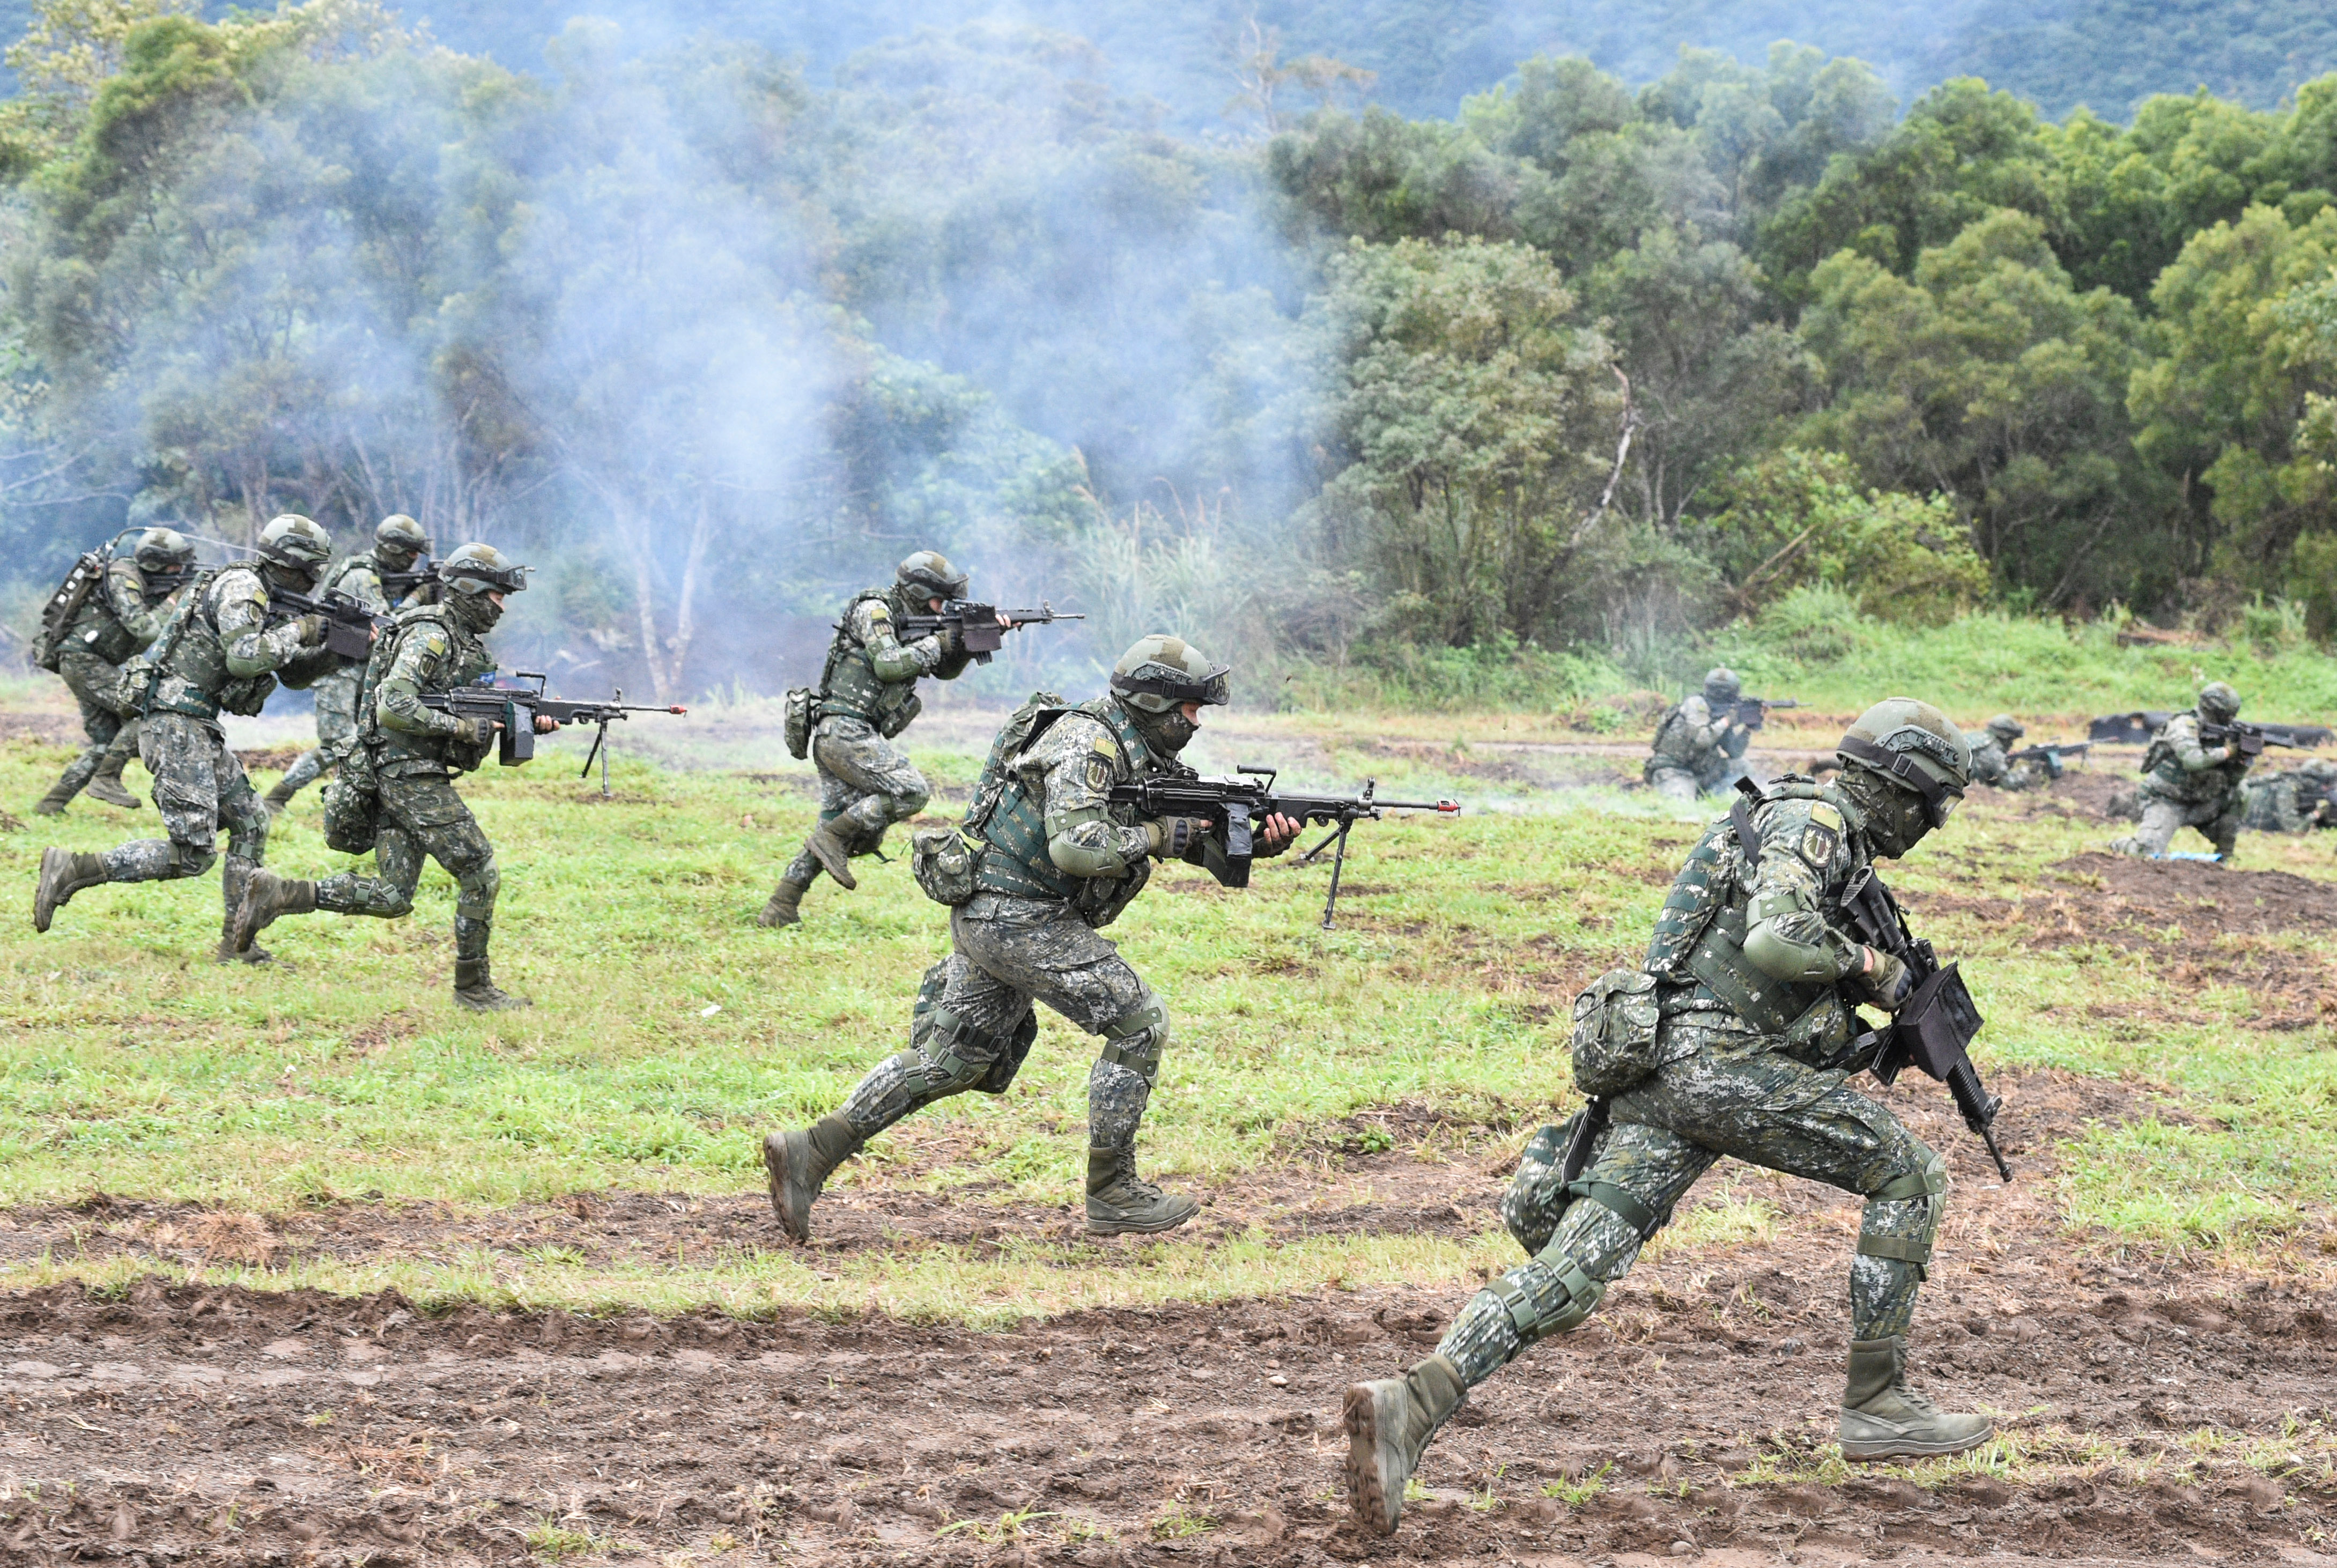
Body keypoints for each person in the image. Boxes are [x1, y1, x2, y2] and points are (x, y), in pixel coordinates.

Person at [1342, 698, 1991, 1538]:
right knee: (1910, 1171)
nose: (1935, 821)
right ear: (1899, 784)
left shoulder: (1806, 829)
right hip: (1715, 1069)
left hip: (1665, 1075)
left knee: (1573, 1276)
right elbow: (1774, 941)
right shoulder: (1813, 824)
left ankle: (1409, 1406)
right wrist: (1870, 967)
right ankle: (1876, 1404)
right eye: (1934, 799)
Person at [761, 634, 1300, 1239]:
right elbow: (1075, 848)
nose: (1197, 722)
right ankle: (1112, 1191)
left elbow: (1200, 847)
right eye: (1190, 708)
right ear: (1154, 700)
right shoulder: (1087, 742)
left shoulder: (1141, 749)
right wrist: (1157, 836)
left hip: (998, 913)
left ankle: (808, 1151)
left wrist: (1255, 840)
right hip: (1016, 915)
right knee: (1139, 1020)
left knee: (951, 1061)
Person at [227, 545, 552, 1012]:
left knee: (393, 895)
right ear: (470, 592)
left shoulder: (458, 640)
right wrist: (465, 729)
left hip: (394, 774)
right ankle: (473, 989)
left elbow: (462, 703)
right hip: (407, 776)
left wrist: (523, 719)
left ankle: (277, 894)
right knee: (480, 872)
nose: (502, 607)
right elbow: (394, 705)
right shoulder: (430, 636)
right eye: (498, 596)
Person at [33, 515, 341, 960]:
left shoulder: (267, 596)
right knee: (194, 853)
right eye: (313, 567)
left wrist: (336, 649)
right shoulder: (243, 587)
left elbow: (291, 674)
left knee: (251, 823)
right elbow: (243, 658)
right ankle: (73, 869)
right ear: (296, 564)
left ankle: (239, 946)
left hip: (195, 723)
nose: (316, 577)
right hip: (175, 723)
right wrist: (301, 630)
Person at [758, 551, 1003, 928]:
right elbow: (889, 665)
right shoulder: (875, 611)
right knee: (910, 792)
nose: (943, 609)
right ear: (920, 592)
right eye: (940, 601)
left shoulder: (915, 621)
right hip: (844, 730)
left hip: (848, 733)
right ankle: (833, 842)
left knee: (831, 826)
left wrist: (972, 640)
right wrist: (941, 640)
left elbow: (944, 671)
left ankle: (781, 906)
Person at [263, 514, 432, 815]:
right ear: (393, 549)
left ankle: (361, 800)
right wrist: (418, 597)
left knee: (373, 740)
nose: (415, 559)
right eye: (410, 553)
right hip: (335, 669)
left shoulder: (378, 574)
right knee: (335, 745)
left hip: (356, 667)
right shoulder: (362, 575)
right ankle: (277, 798)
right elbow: (387, 627)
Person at [34, 527, 197, 816]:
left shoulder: (144, 579)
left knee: (106, 742)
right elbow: (145, 630)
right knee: (150, 707)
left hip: (89, 663)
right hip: (83, 662)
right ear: (158, 565)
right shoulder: (123, 579)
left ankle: (51, 805)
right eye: (176, 566)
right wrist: (175, 601)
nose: (181, 571)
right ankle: (106, 779)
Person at [2110, 682, 2254, 860]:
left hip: (2202, 801)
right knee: (2146, 853)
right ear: (2213, 709)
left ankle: (2226, 856)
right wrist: (2226, 752)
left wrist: (2242, 761)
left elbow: (2232, 780)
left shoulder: (2226, 733)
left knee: (2241, 791)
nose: (2230, 719)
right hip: (2167, 800)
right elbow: (2192, 761)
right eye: (2226, 715)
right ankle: (2118, 845)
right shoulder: (2183, 725)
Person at [1645, 667, 1753, 803]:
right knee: (1680, 805)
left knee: (1742, 766)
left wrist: (1748, 728)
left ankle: (1757, 802)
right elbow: (1703, 739)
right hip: (1675, 770)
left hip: (1704, 772)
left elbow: (1735, 752)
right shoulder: (1696, 704)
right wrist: (1727, 721)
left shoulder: (1725, 713)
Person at [2240, 757, 2337, 834]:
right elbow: (2293, 828)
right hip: (2243, 813)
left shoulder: (2304, 789)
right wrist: (2316, 814)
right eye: (2326, 784)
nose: (2328, 788)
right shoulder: (2287, 788)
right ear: (2311, 781)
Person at [1966, 714, 2048, 792]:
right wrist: (2027, 771)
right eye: (2012, 740)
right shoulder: (1994, 754)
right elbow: (2009, 783)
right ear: (2006, 738)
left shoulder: (1978, 738)